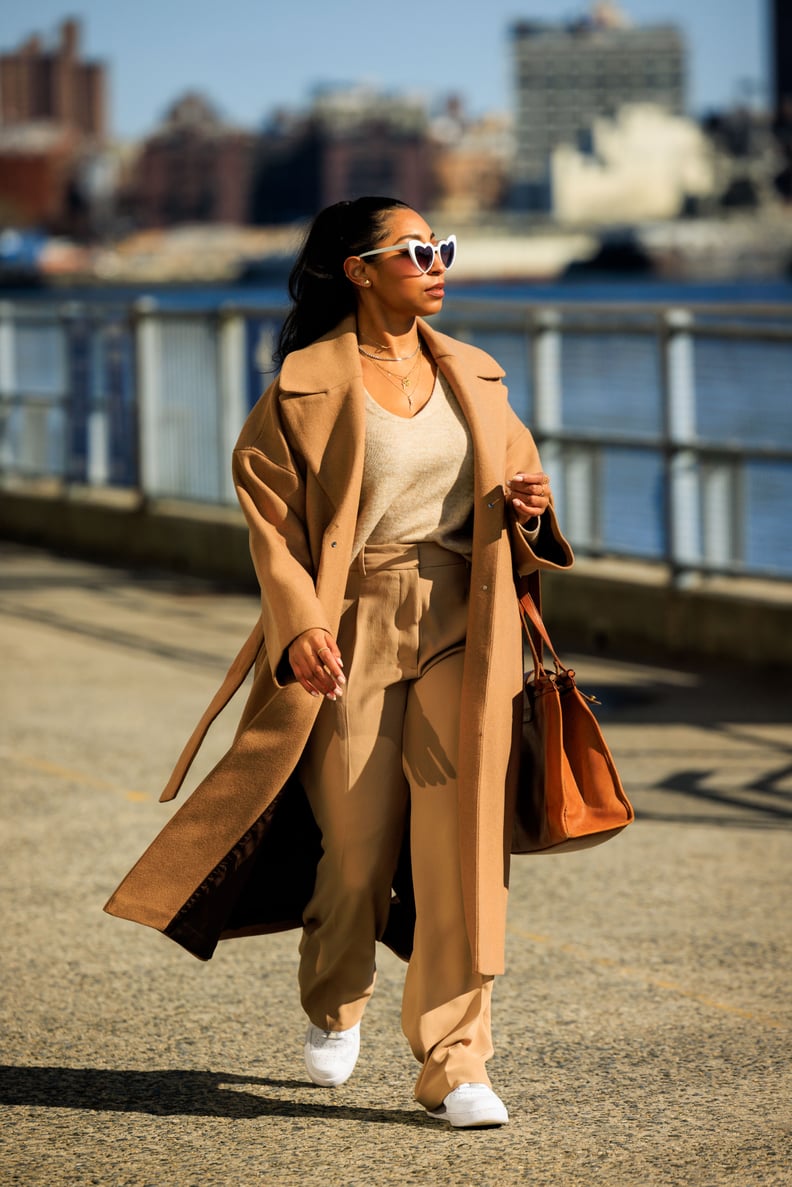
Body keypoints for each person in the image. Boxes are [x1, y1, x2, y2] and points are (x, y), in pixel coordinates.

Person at [105, 196, 573, 1129]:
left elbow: (523, 499)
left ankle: (457, 1058)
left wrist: (527, 505)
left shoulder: (478, 376)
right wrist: (300, 622)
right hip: (348, 625)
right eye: (414, 250)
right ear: (358, 270)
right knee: (355, 847)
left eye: (442, 246)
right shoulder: (300, 388)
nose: (437, 261)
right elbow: (271, 528)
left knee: (461, 850)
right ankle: (334, 990)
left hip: (462, 621)